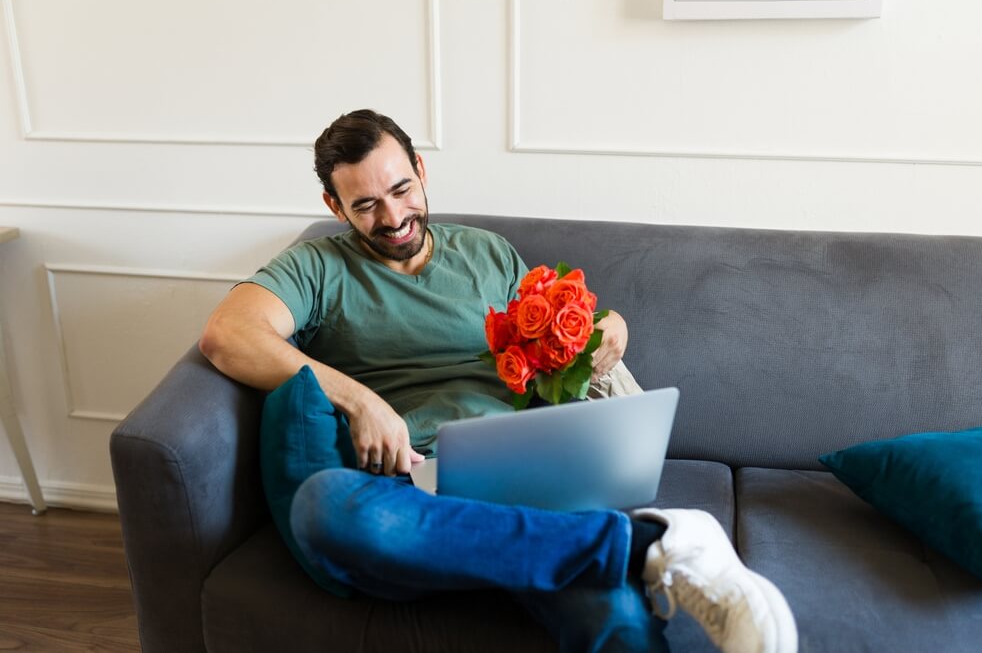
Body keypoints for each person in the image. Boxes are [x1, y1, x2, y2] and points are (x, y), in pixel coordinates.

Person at [199, 109, 797, 653]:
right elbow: (228, 334)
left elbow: (560, 349)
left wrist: (610, 327)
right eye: (366, 206)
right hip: (411, 485)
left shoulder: (486, 253)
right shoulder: (316, 267)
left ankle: (606, 547)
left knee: (612, 617)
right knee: (324, 507)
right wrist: (359, 400)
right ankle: (650, 546)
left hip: (523, 473)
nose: (393, 218)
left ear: (421, 170)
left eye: (401, 189)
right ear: (335, 206)